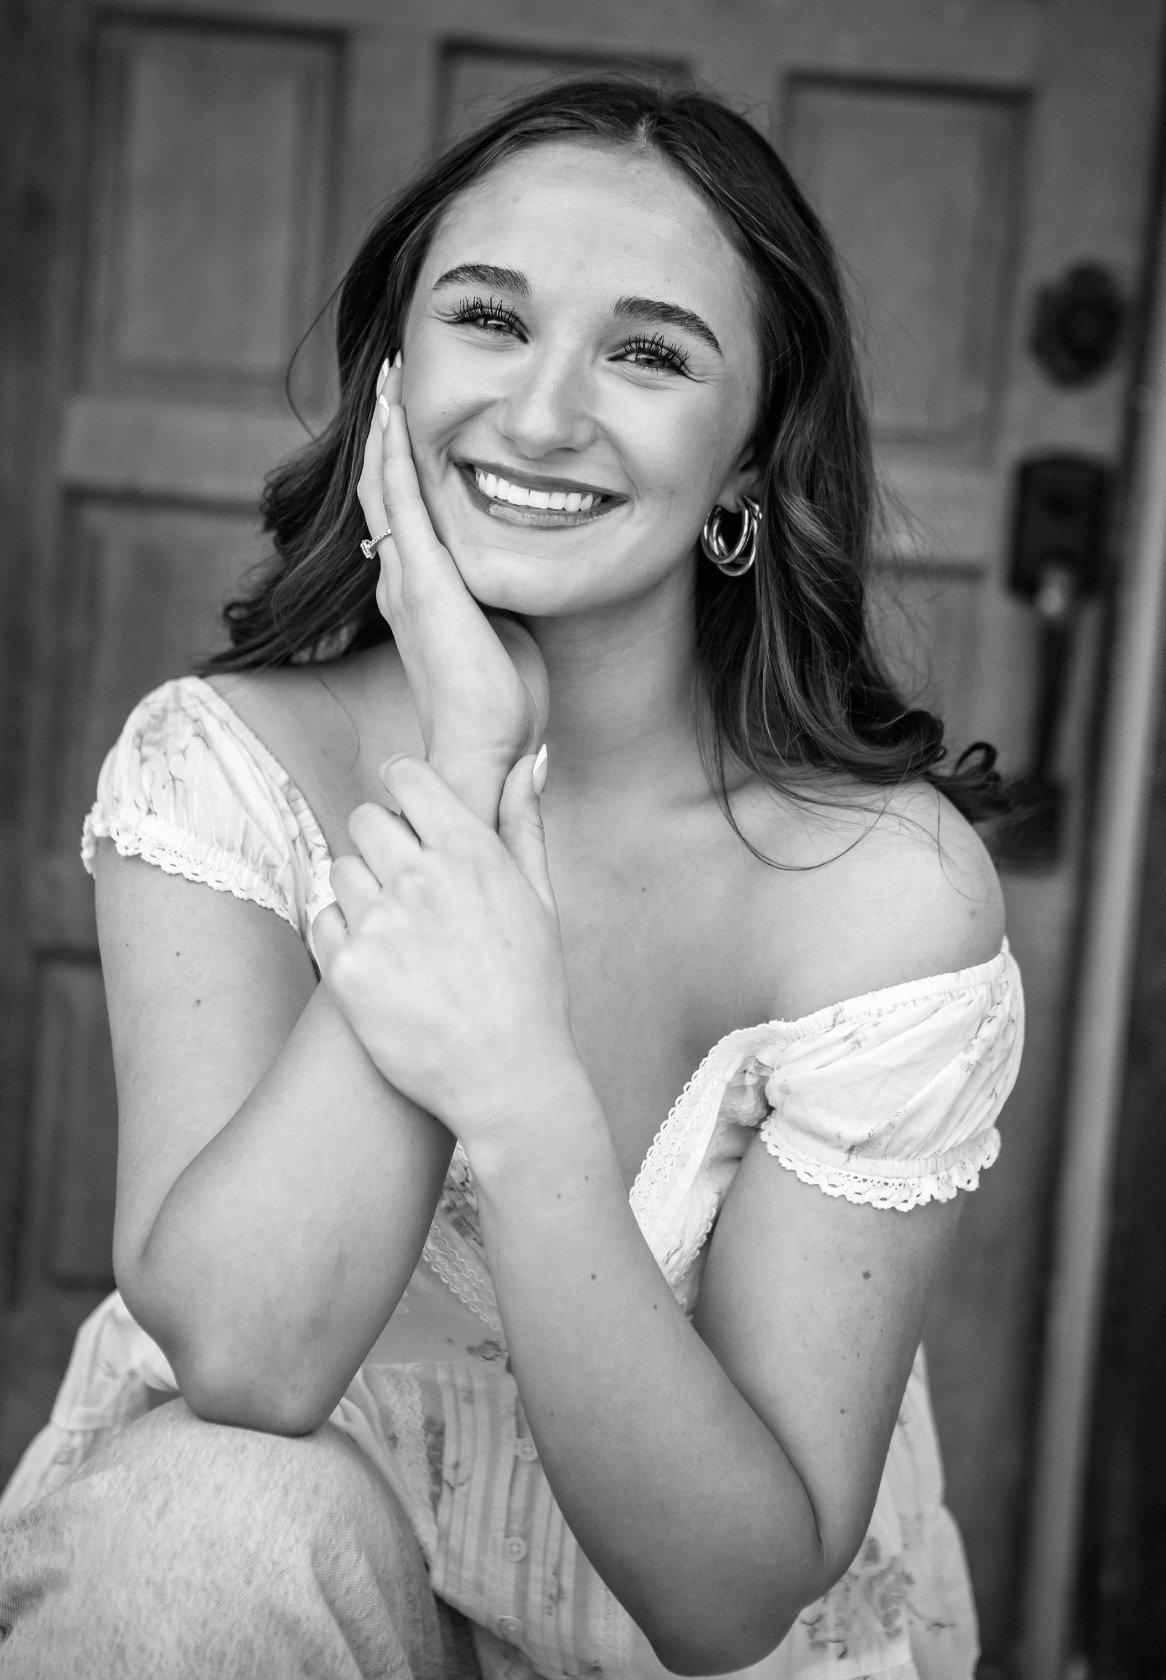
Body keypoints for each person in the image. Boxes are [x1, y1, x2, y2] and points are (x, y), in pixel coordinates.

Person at [0, 76, 1022, 1680]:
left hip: (674, 1636)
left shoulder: (873, 888)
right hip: (297, 1586)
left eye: (648, 352)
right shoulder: (223, 768)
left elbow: (726, 1593)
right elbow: (253, 1363)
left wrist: (524, 1099)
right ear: (395, 377)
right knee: (192, 1520)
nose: (542, 416)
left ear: (752, 459)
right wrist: (463, 777)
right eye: (489, 320)